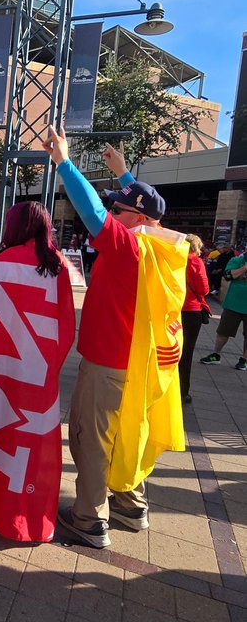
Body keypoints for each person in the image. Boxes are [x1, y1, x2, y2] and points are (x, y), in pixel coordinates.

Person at [43, 126, 187, 549]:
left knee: (93, 440)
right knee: (129, 435)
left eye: (118, 210)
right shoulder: (164, 248)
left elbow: (92, 211)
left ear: (137, 220)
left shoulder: (130, 249)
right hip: (139, 365)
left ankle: (90, 518)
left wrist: (64, 163)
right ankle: (131, 505)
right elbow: (147, 210)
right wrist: (126, 177)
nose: (111, 214)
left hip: (107, 364)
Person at [0, 201, 75, 543]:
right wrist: (49, 368)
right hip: (38, 370)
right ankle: (23, 514)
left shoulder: (2, 263)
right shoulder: (58, 266)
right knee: (29, 441)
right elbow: (67, 325)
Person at [200, 245, 247, 371]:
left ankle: (244, 360)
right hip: (233, 304)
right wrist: (244, 268)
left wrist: (238, 274)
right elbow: (227, 275)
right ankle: (216, 354)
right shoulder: (236, 260)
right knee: (223, 332)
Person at [178, 234, 210, 401]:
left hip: (173, 308)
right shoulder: (195, 261)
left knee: (170, 349)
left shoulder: (173, 257)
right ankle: (182, 391)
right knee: (186, 352)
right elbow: (204, 289)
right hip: (190, 310)